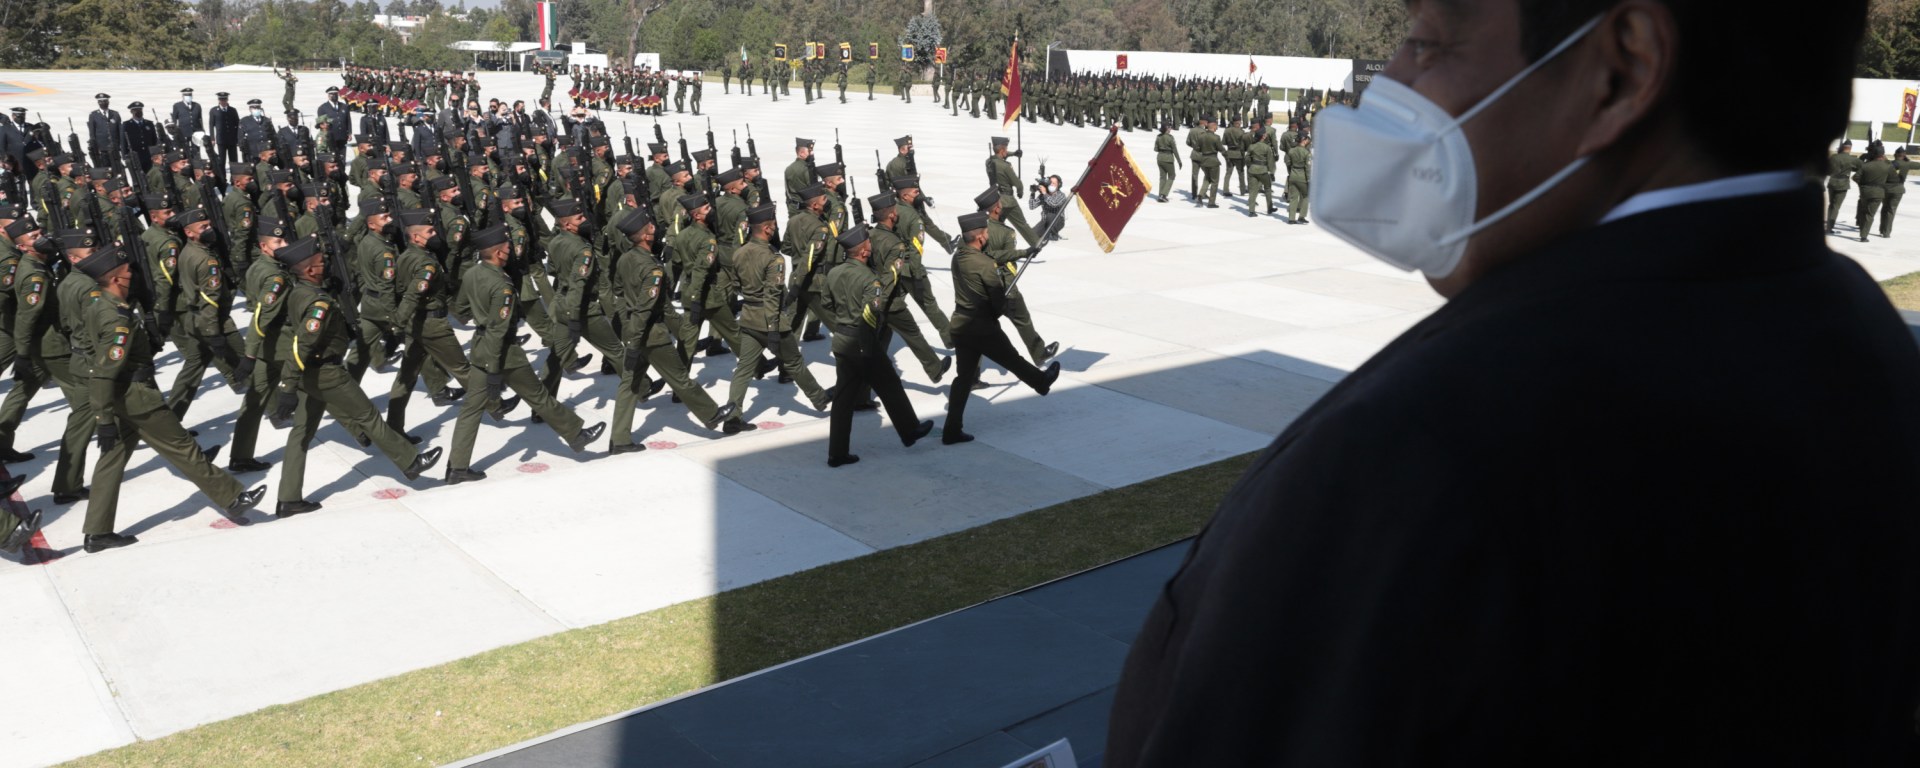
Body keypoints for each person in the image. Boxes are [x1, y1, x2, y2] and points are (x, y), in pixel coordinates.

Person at [1106, 1, 1920, 765]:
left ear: (1621, 72)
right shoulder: (1865, 342)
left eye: (1429, 42)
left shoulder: (1432, 450)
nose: (1391, 80)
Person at [78, 244, 262, 552]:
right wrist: (103, 418)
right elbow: (104, 371)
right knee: (183, 447)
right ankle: (233, 497)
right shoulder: (117, 320)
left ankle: (97, 531)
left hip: (122, 397)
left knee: (111, 461)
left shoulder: (102, 305)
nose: (132, 276)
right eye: (127, 272)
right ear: (114, 279)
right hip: (137, 397)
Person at [271, 236, 441, 514]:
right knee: (367, 416)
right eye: (319, 262)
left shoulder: (300, 291)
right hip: (324, 371)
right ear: (310, 271)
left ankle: (288, 498)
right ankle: (411, 462)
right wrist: (287, 387)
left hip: (307, 373)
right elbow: (302, 343)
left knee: (301, 434)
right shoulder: (317, 302)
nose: (325, 264)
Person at [444, 225, 603, 483]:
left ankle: (457, 467)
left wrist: (479, 313)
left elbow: (461, 308)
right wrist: (495, 371)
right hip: (503, 353)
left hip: (480, 348)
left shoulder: (472, 273)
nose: (510, 250)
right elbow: (498, 330)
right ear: (497, 253)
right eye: (506, 247)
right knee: (538, 396)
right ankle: (577, 434)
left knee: (471, 409)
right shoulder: (501, 285)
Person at [939, 212, 1058, 445]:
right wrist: (1001, 308)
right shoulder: (984, 265)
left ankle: (951, 430)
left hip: (961, 325)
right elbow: (997, 300)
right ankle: (1041, 382)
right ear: (981, 237)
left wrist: (1024, 252)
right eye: (986, 233)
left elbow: (995, 256)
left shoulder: (959, 257)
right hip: (981, 327)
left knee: (963, 378)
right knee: (1012, 359)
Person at [820, 225, 932, 467]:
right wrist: (868, 339)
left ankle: (837, 453)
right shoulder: (870, 279)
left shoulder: (833, 273)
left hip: (841, 339)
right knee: (890, 384)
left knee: (843, 399)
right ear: (862, 252)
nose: (871, 246)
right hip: (862, 341)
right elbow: (872, 312)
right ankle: (910, 430)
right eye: (868, 245)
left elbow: (826, 304)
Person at [1853, 142, 1890, 243]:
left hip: (1865, 191)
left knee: (1864, 211)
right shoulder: (1887, 166)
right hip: (1878, 193)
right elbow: (1892, 178)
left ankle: (1861, 228)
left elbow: (1855, 177)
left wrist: (1862, 185)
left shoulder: (1866, 165)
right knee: (1869, 214)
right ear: (1882, 155)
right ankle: (1863, 236)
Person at [1826, 139, 1860, 233]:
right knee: (1836, 206)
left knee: (1831, 204)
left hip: (1832, 182)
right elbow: (1861, 168)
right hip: (1843, 184)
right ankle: (1829, 227)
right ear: (1850, 148)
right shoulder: (1853, 159)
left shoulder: (1833, 157)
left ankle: (1829, 223)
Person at [1881, 146, 1912, 237]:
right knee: (1891, 210)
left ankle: (1882, 229)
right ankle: (1886, 232)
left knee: (1884, 209)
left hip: (1886, 189)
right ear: (1904, 155)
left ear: (1895, 155)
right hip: (1898, 190)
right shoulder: (1907, 164)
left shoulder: (1889, 164)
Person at [1284, 133, 1311, 224]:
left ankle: (1291, 218)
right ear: (1303, 140)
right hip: (1302, 176)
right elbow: (1308, 168)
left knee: (1293, 198)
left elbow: (1288, 163)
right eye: (1306, 139)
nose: (1308, 140)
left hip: (1293, 175)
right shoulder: (1307, 153)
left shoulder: (1291, 151)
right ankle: (1301, 216)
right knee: (1305, 196)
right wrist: (1309, 179)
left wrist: (1291, 172)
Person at [1153, 122, 1180, 203]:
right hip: (1168, 158)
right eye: (1170, 127)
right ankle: (1164, 195)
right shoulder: (1170, 138)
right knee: (1172, 175)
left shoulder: (1158, 136)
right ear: (1167, 128)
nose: (1171, 129)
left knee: (1162, 177)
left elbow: (1155, 149)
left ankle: (1160, 195)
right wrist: (1179, 161)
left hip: (1160, 158)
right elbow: (1175, 150)